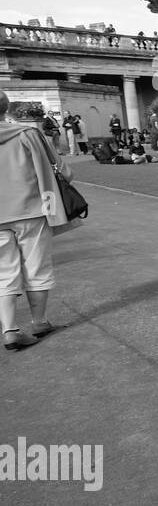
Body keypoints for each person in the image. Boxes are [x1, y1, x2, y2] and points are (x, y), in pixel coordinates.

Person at [0, 91, 67, 350]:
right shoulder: (26, 134)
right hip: (31, 210)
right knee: (36, 267)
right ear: (6, 108)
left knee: (4, 272)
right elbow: (60, 168)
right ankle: (39, 321)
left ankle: (10, 330)